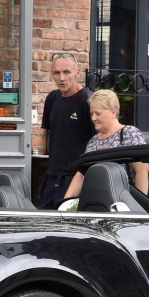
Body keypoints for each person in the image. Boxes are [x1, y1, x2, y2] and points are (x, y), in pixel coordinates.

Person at [63, 89, 149, 200]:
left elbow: (141, 171)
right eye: (91, 114)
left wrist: (139, 206)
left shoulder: (129, 133)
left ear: (113, 112)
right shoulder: (93, 141)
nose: (93, 118)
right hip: (97, 204)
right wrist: (65, 203)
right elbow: (80, 176)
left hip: (123, 205)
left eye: (97, 113)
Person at [39, 52, 93, 209]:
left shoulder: (87, 100)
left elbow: (97, 139)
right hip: (52, 175)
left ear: (78, 72)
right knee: (45, 220)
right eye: (57, 73)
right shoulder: (52, 98)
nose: (61, 78)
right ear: (51, 74)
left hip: (75, 177)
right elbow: (46, 132)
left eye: (66, 72)